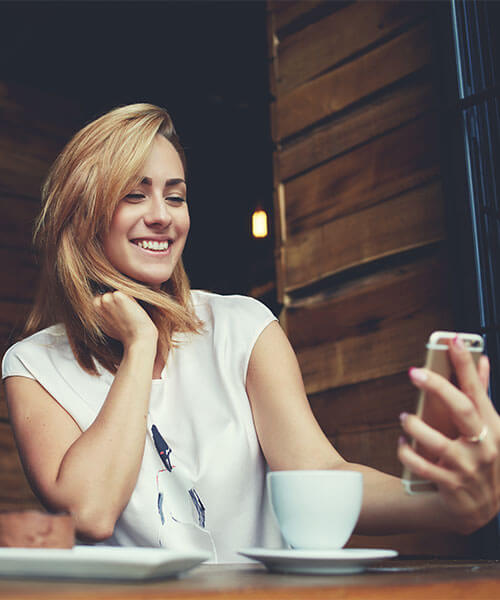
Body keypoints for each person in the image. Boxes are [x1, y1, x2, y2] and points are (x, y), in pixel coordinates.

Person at [2, 104, 500, 563]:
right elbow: (90, 512)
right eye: (135, 194)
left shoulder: (242, 326)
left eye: (175, 196)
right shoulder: (31, 365)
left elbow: (317, 475)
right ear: (83, 212)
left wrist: (445, 506)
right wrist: (139, 347)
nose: (163, 215)